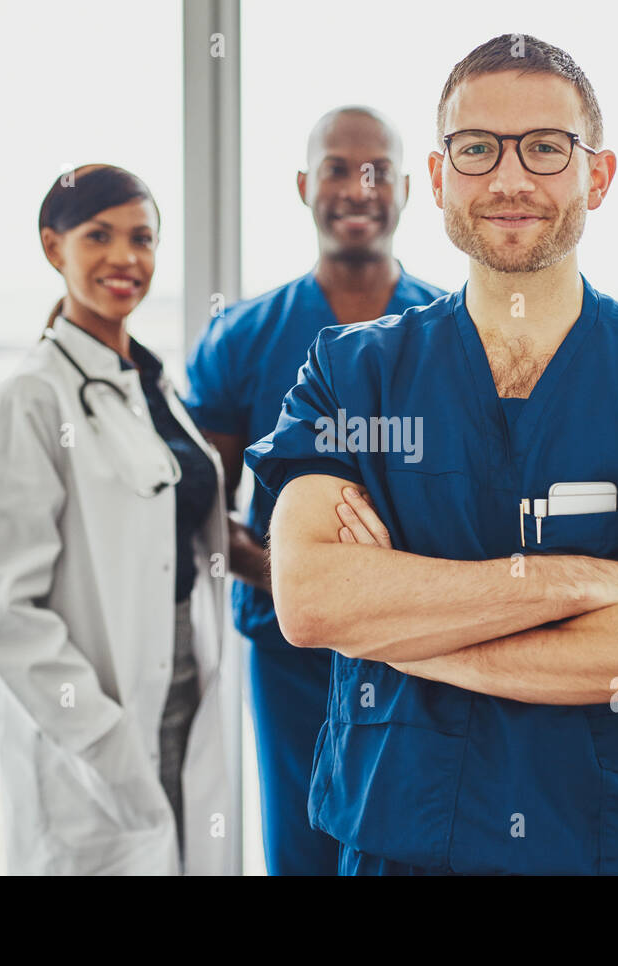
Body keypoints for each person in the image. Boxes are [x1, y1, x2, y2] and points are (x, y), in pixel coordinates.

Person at [244, 35, 618, 876]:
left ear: (598, 176)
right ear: (437, 176)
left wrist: (404, 634)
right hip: (401, 842)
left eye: (545, 148)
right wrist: (585, 582)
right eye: (476, 149)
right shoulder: (352, 375)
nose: (509, 179)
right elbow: (312, 602)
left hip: (611, 844)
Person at [184, 107, 445, 875]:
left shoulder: (453, 334)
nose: (357, 188)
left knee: (418, 841)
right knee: (302, 847)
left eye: (377, 171)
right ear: (304, 185)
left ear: (407, 188)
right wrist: (301, 581)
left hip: (423, 647)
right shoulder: (243, 338)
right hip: (290, 650)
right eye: (336, 168)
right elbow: (207, 509)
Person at [0, 164, 238, 875]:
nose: (125, 258)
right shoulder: (30, 399)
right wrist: (100, 732)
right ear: (54, 247)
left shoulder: (148, 385)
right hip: (97, 720)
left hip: (186, 687)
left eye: (142, 239)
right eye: (99, 236)